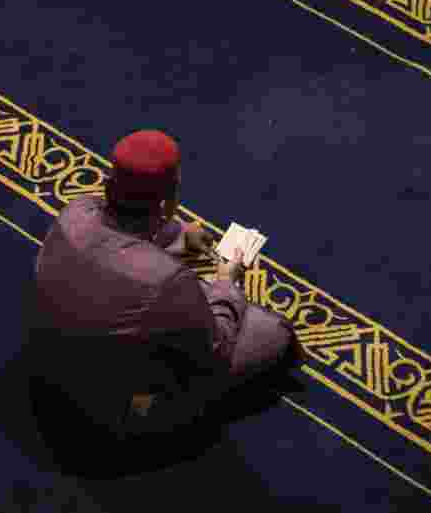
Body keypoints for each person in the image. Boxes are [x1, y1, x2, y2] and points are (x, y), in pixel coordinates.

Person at [28, 129, 303, 462]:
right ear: (169, 200)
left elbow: (125, 231)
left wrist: (182, 235)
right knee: (272, 331)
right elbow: (216, 349)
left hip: (49, 371)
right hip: (110, 417)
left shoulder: (76, 212)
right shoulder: (166, 281)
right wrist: (226, 283)